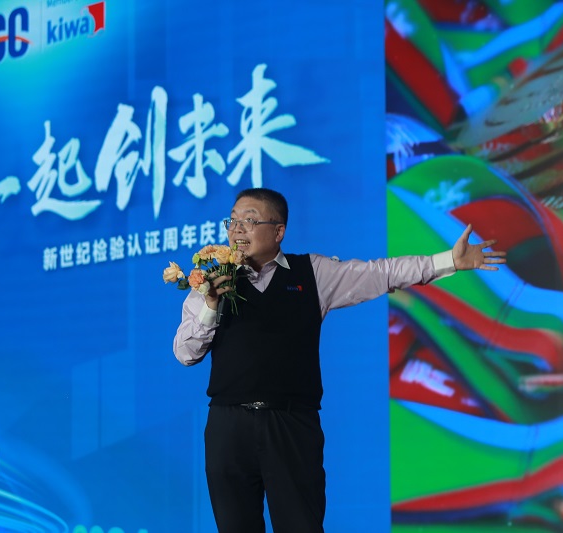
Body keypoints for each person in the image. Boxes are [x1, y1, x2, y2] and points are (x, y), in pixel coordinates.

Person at [173, 188, 506, 532]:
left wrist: (449, 260)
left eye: (250, 220)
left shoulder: (312, 272)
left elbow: (381, 273)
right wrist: (211, 305)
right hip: (228, 427)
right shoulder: (210, 281)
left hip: (291, 425)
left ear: (278, 231)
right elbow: (185, 354)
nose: (237, 229)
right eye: (233, 220)